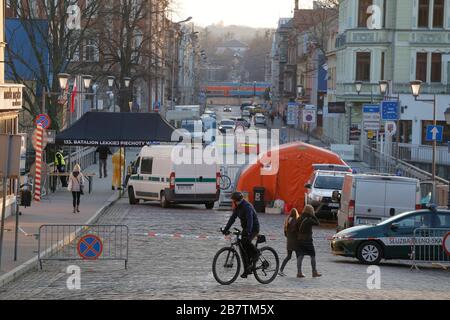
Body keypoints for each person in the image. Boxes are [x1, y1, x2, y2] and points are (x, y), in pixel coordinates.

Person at [222, 192, 260, 278]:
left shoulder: (247, 207)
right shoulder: (238, 207)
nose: (233, 202)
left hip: (253, 228)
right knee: (242, 250)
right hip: (246, 228)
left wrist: (248, 232)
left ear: (237, 200)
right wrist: (226, 229)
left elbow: (250, 220)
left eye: (234, 200)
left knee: (245, 241)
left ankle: (256, 253)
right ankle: (247, 269)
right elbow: (232, 218)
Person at [296, 204, 322, 278]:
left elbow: (296, 228)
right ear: (311, 211)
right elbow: (318, 223)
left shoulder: (299, 218)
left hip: (300, 239)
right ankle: (314, 272)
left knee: (300, 256)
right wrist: (313, 215)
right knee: (312, 255)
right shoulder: (309, 220)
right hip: (307, 240)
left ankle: (299, 272)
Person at [279, 208, 301, 277]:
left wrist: (289, 238)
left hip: (289, 242)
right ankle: (299, 272)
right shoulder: (297, 221)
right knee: (298, 257)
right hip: (296, 243)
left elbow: (285, 233)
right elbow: (299, 232)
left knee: (288, 256)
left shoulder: (287, 220)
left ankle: (281, 270)